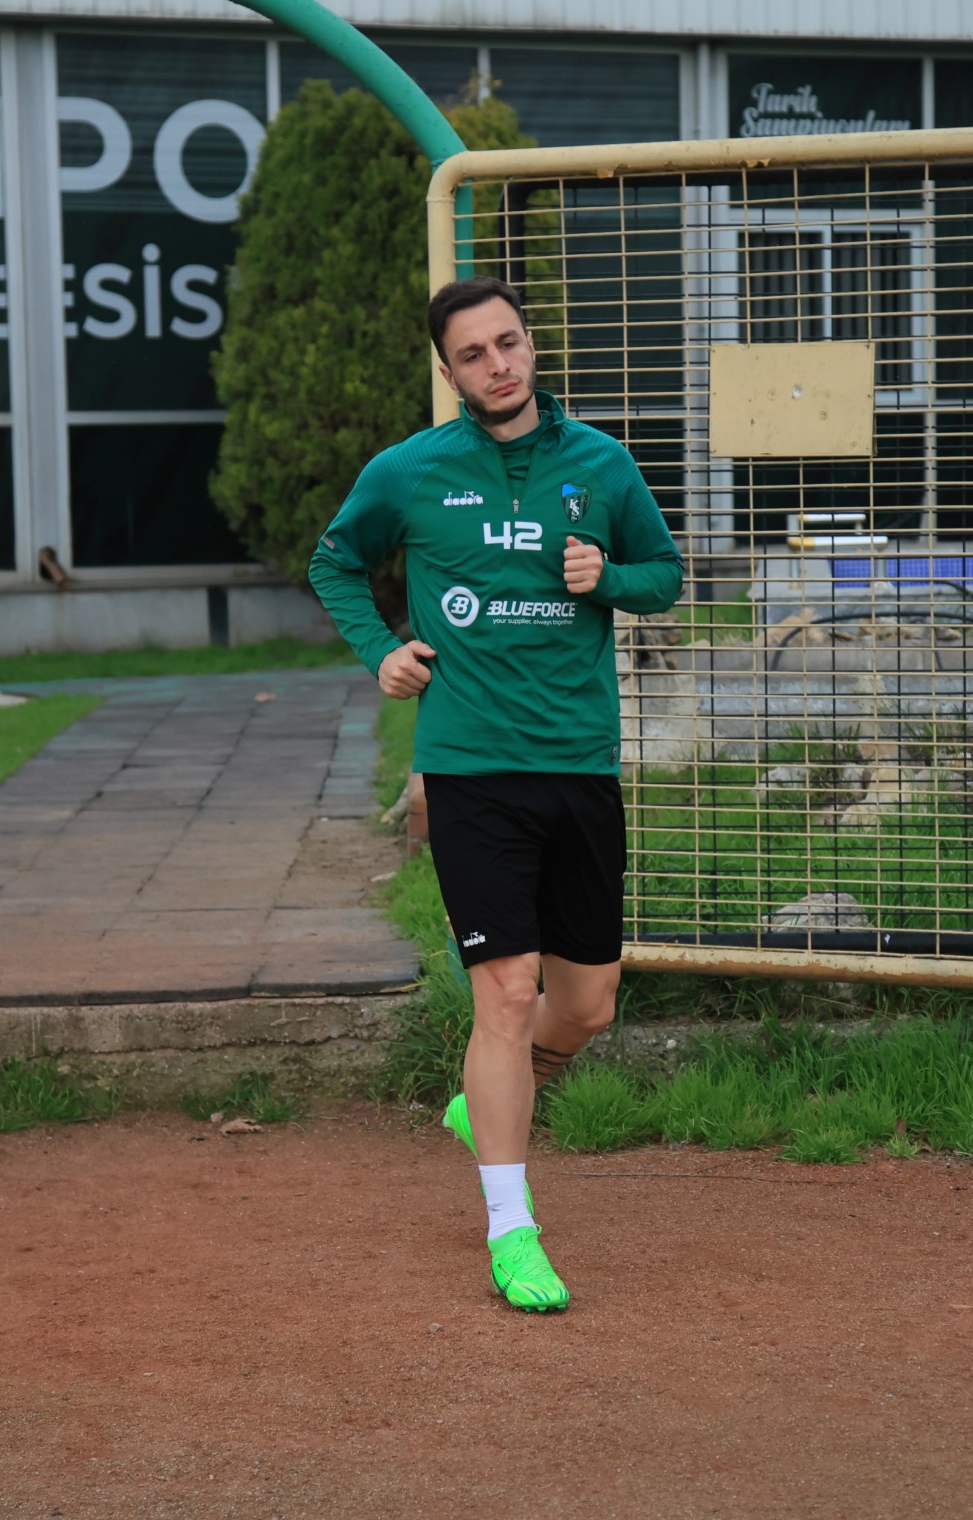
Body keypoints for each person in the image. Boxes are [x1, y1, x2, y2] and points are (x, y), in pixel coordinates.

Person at [308, 276, 683, 1311]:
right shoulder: (411, 472)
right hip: (471, 766)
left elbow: (665, 574)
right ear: (448, 370)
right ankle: (513, 1229)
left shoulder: (600, 463)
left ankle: (490, 1099)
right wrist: (382, 649)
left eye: (508, 343)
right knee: (507, 995)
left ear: (531, 344)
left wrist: (603, 573)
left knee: (589, 1003)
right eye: (473, 354)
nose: (497, 365)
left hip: (580, 762)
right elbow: (335, 560)